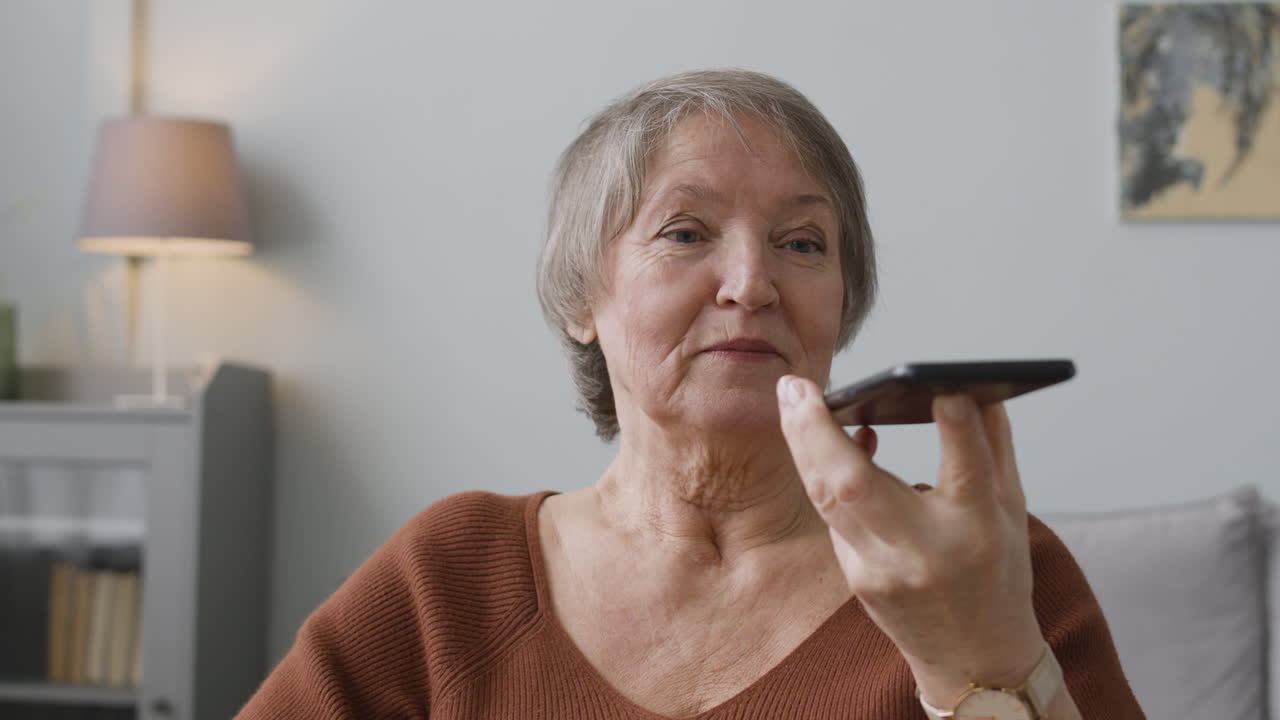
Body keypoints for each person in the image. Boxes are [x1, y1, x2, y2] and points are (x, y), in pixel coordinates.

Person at [237, 69, 1144, 719]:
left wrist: (984, 664)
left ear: (842, 304)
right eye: (685, 232)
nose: (751, 283)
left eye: (802, 243)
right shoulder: (453, 577)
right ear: (581, 299)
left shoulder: (985, 567)